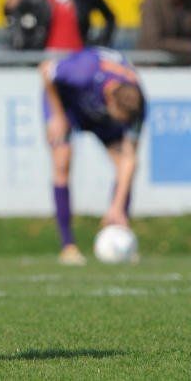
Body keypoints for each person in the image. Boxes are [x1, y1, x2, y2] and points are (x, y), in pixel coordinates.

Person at [40, 47, 145, 266]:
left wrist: (117, 205)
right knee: (62, 162)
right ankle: (68, 246)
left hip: (99, 116)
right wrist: (57, 116)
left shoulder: (137, 102)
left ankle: (117, 234)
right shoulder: (84, 71)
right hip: (68, 105)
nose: (122, 124)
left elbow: (130, 158)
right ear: (109, 99)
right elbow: (46, 70)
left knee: (123, 166)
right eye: (119, 119)